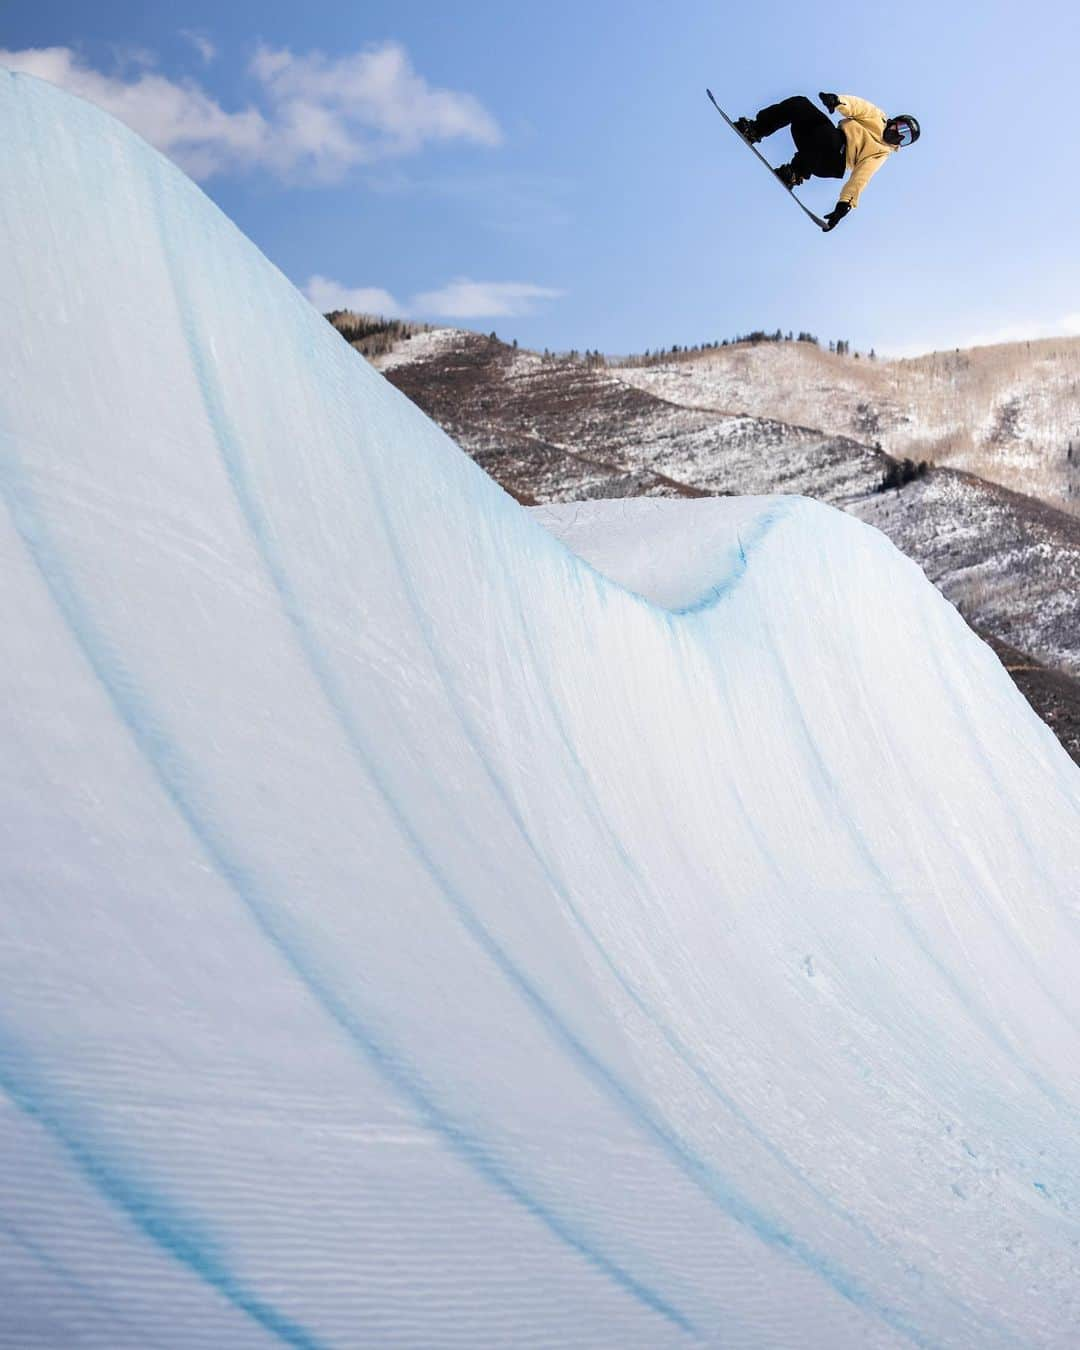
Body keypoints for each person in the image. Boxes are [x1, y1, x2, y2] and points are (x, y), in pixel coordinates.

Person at [734, 93, 920, 231]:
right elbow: (858, 106)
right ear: (895, 121)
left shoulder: (880, 153)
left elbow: (861, 179)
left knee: (828, 139)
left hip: (832, 161)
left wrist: (843, 206)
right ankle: (755, 130)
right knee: (800, 104)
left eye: (904, 138)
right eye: (902, 129)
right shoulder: (877, 117)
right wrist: (837, 101)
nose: (898, 135)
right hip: (824, 137)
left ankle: (796, 172)